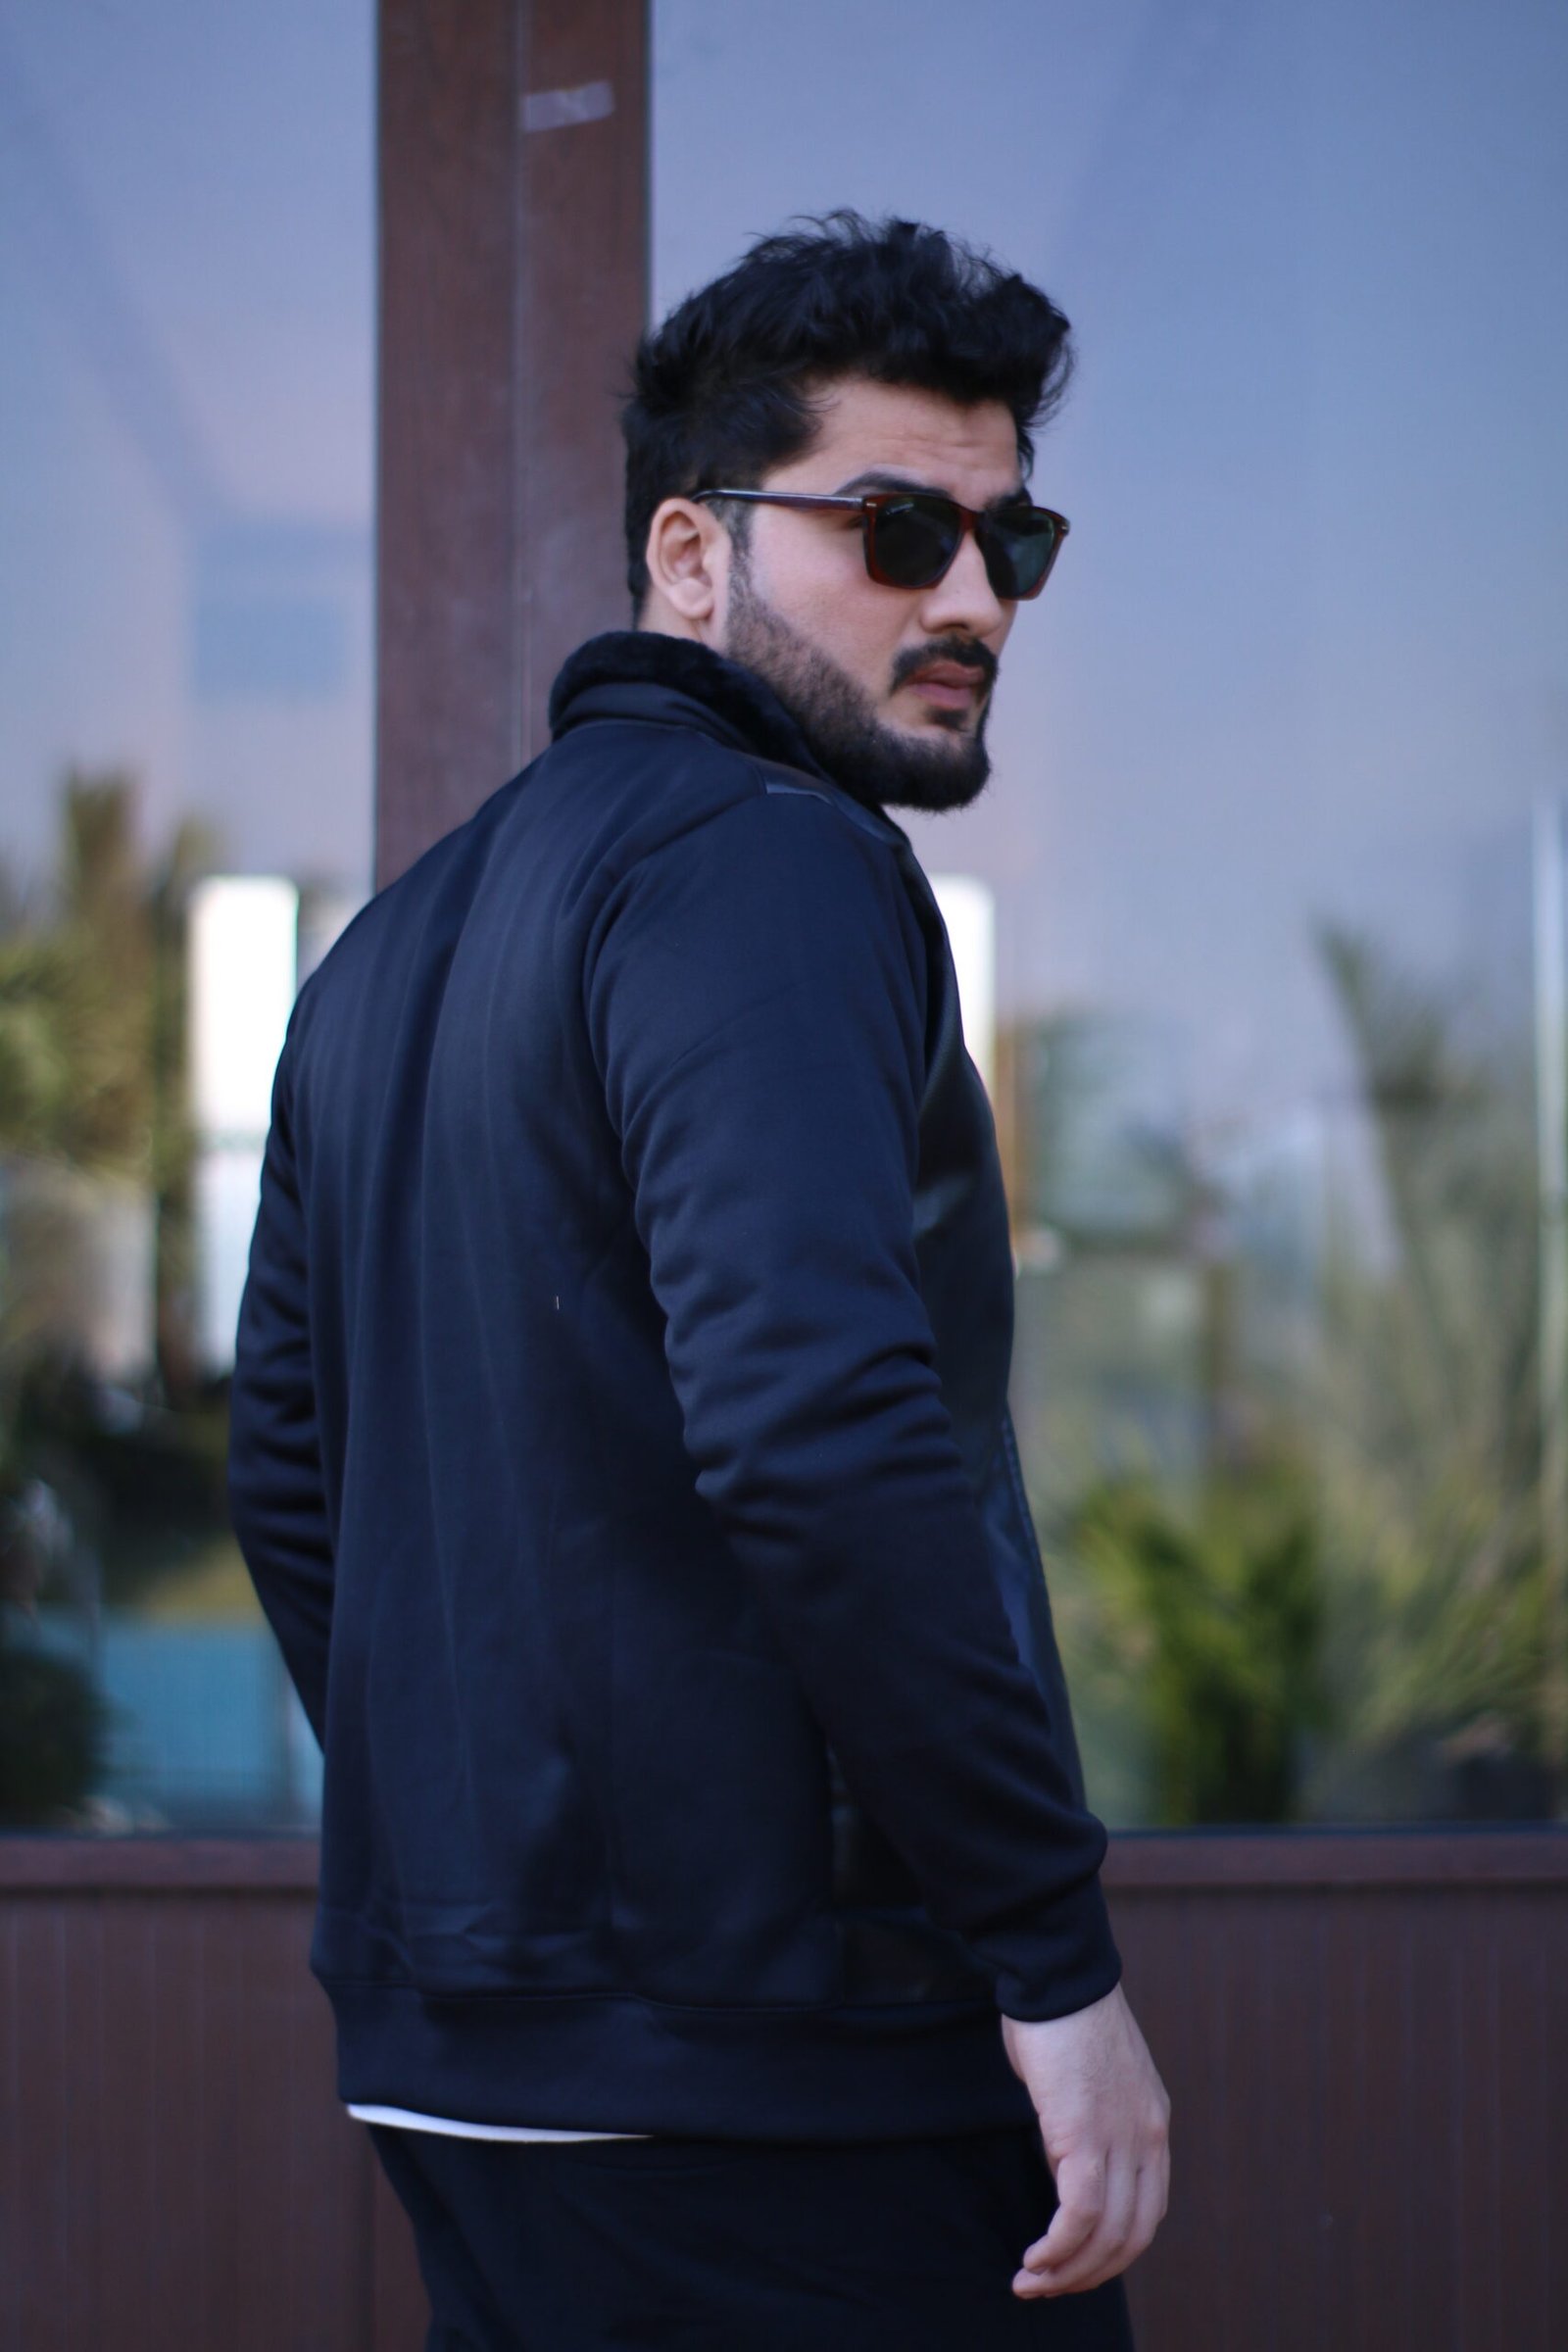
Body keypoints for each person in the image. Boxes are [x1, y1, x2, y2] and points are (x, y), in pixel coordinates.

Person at [227, 211, 1170, 2351]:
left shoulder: (387, 950)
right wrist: (1049, 1954)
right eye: (897, 528)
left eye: (1009, 544)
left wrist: (496, 1836)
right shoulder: (772, 864)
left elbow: (288, 1471)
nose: (967, 599)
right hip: (776, 2072)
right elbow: (820, 1429)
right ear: (687, 553)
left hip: (473, 2059)